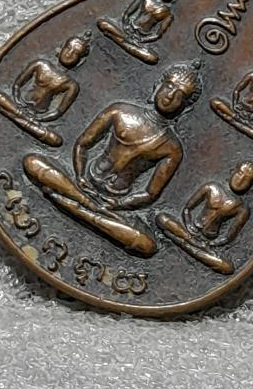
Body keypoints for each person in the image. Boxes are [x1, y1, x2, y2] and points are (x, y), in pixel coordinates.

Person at [23, 62, 202, 256]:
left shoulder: (172, 148)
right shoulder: (120, 111)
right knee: (32, 162)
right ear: (158, 86)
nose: (170, 95)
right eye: (169, 86)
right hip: (82, 183)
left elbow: (150, 193)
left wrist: (118, 204)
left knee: (147, 245)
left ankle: (81, 209)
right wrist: (80, 175)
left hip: (113, 203)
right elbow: (83, 144)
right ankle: (87, 209)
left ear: (185, 107)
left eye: (180, 95)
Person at [156, 160, 253, 274]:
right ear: (233, 171)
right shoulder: (211, 187)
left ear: (252, 184)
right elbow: (187, 209)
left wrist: (212, 244)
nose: (240, 180)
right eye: (240, 173)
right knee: (162, 218)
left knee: (227, 267)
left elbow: (228, 237)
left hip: (207, 240)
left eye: (247, 179)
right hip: (189, 230)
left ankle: (184, 243)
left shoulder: (242, 209)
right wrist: (188, 224)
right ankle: (192, 245)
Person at [0, 32, 91, 146]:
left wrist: (39, 119)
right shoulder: (40, 64)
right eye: (68, 48)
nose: (69, 54)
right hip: (18, 105)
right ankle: (20, 119)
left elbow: (58, 112)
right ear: (61, 47)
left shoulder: (71, 85)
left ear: (80, 60)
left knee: (55, 140)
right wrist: (17, 101)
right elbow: (18, 84)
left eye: (75, 53)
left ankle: (16, 117)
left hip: (37, 116)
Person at [96, 0, 183, 64]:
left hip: (139, 39)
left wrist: (142, 40)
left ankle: (117, 39)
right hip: (126, 29)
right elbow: (127, 14)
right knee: (102, 24)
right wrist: (126, 26)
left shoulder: (167, 14)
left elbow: (157, 34)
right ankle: (124, 42)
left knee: (152, 58)